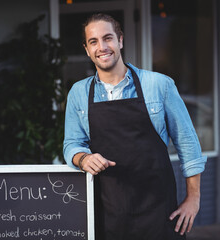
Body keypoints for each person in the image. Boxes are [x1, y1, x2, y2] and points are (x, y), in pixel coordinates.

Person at [63, 13, 207, 240]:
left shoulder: (159, 85)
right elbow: (72, 144)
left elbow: (188, 144)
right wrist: (83, 158)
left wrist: (194, 199)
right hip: (106, 213)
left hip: (159, 212)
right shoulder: (78, 93)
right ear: (87, 49)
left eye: (108, 38)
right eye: (94, 42)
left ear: (120, 40)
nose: (102, 47)